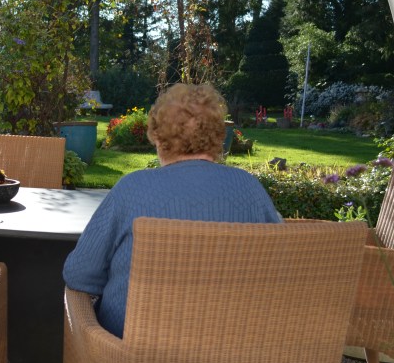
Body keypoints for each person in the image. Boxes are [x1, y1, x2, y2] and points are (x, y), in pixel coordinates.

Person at [63, 83, 281, 338]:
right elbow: (278, 268)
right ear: (219, 137)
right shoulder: (250, 190)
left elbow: (79, 274)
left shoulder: (133, 189)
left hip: (132, 355)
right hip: (232, 352)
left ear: (157, 136)